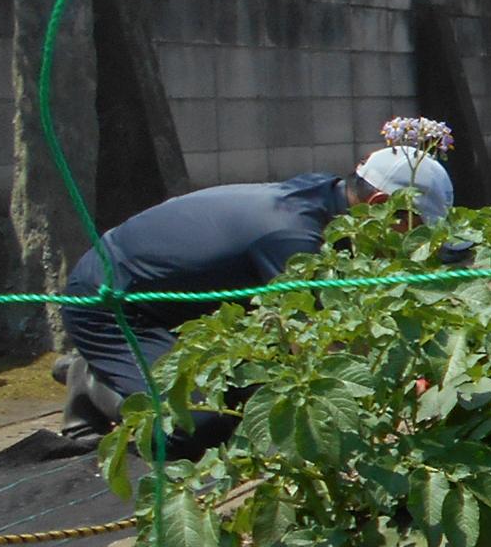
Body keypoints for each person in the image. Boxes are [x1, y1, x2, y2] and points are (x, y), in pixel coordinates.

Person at [58, 146, 454, 447]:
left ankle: (124, 365)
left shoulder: (327, 195)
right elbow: (316, 343)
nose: (417, 245)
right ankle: (93, 379)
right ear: (380, 206)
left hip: (170, 295)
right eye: (416, 228)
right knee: (197, 424)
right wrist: (394, 385)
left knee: (244, 389)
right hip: (108, 301)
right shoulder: (291, 235)